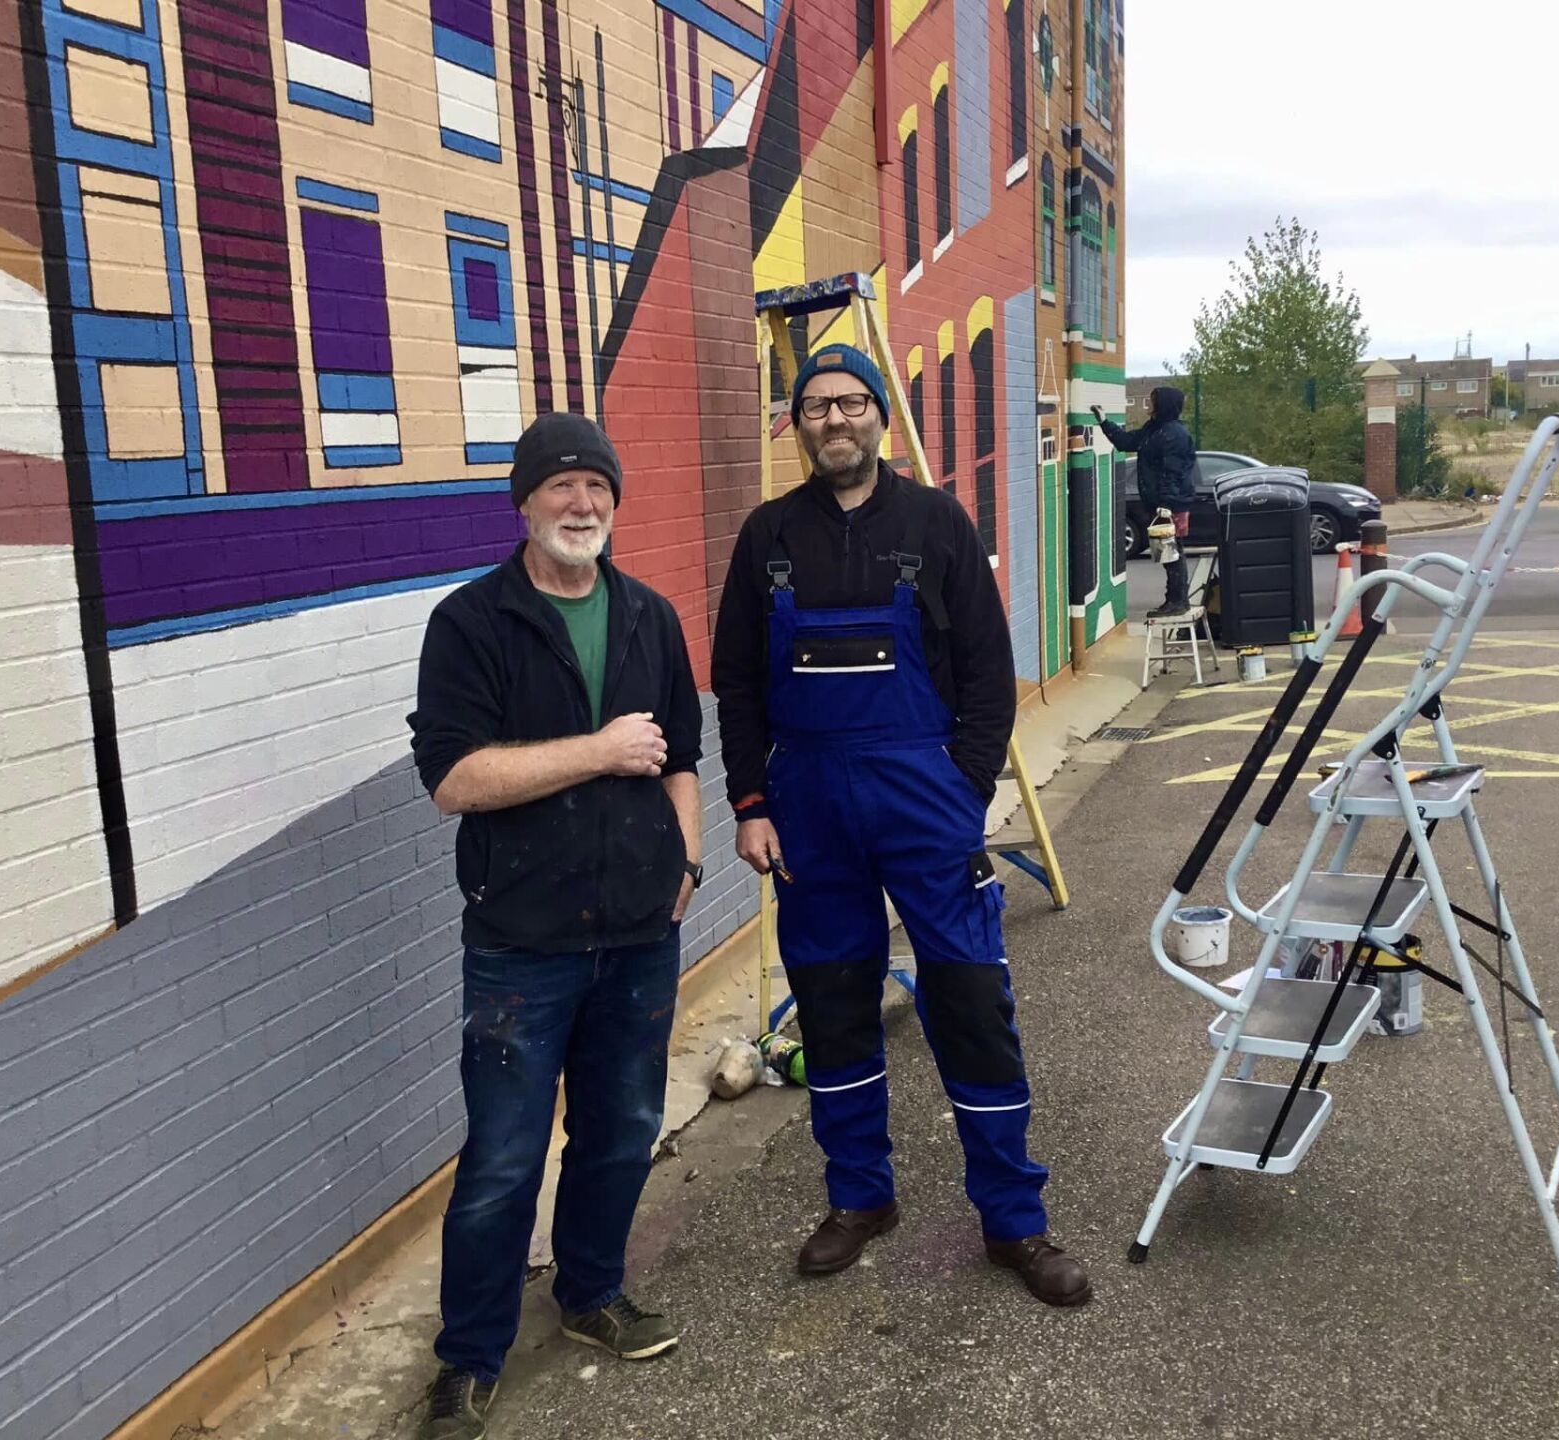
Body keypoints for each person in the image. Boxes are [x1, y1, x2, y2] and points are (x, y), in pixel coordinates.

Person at [713, 344, 1091, 1308]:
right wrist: (750, 803)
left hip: (924, 799)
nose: (833, 420)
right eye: (813, 407)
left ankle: (1014, 1219)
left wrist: (961, 795)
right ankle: (859, 1199)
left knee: (968, 1001)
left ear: (879, 415)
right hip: (808, 812)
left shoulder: (937, 523)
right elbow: (740, 687)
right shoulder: (766, 538)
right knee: (834, 1005)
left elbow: (985, 678)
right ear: (795, 425)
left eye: (849, 403)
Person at [406, 413, 705, 1439]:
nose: (582, 505)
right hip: (521, 944)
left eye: (597, 489)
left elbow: (675, 755)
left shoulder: (650, 617)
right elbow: (454, 780)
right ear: (524, 502)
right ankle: (469, 1356)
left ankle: (590, 1296)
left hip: (636, 934)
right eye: (561, 487)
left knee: (621, 1132)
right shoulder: (472, 624)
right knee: (502, 1158)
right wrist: (595, 749)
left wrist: (689, 856)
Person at [1094, 387, 1200, 617]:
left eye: (1152, 401)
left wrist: (1167, 503)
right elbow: (1127, 442)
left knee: (1172, 551)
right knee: (1166, 551)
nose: (1148, 405)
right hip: (1160, 501)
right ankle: (1173, 599)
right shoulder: (1155, 429)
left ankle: (1178, 600)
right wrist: (1105, 423)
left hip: (1170, 503)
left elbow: (1173, 471)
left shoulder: (1173, 434)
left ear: (1163, 404)